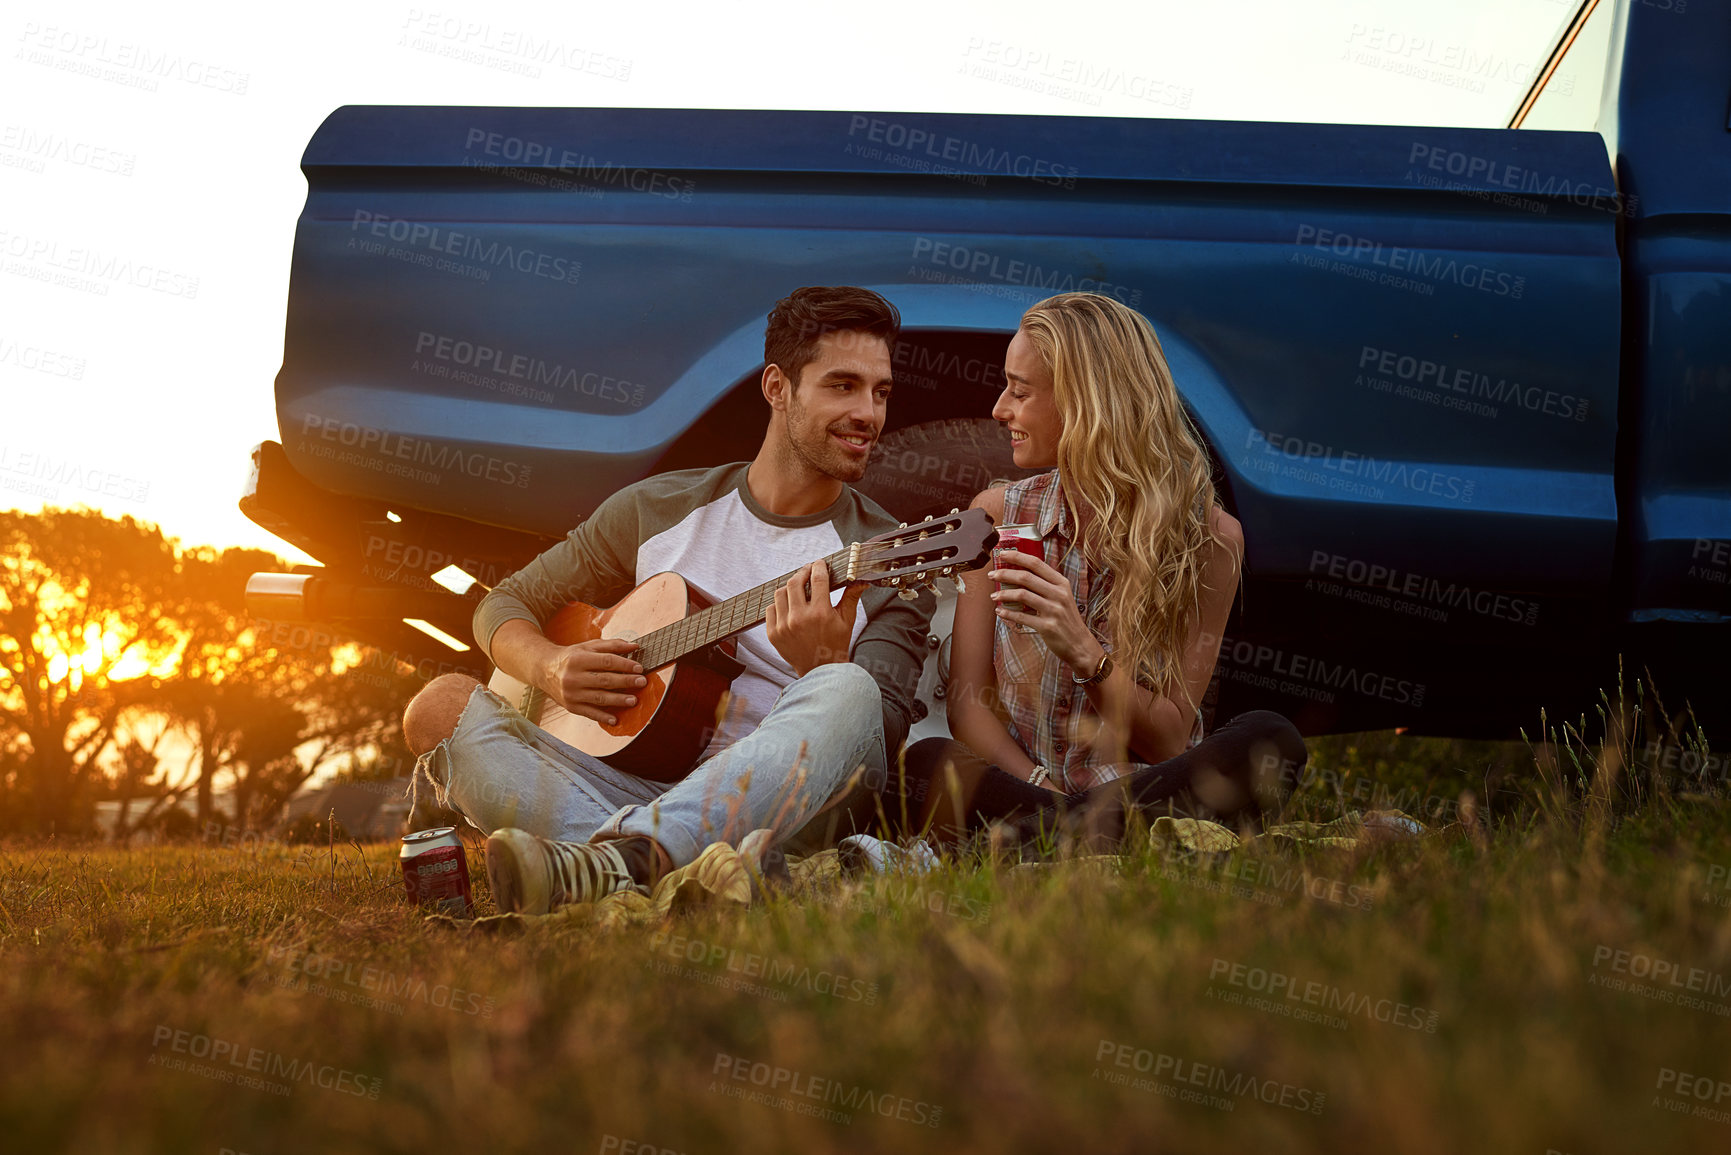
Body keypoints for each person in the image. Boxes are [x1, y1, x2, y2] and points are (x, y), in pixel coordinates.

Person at [400, 286, 934, 913]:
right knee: (440, 707)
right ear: (777, 388)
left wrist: (822, 666)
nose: (869, 413)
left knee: (851, 691)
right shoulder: (657, 509)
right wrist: (553, 668)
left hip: (776, 809)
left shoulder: (893, 557)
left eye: (881, 391)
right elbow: (505, 604)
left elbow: (879, 737)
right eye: (842, 386)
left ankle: (612, 863)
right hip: (627, 780)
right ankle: (655, 868)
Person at [883, 292, 1306, 854]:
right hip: (1027, 789)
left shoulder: (1209, 540)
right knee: (929, 761)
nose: (999, 409)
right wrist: (1044, 792)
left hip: (1140, 787)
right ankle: (1091, 839)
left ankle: (1040, 847)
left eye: (1021, 390)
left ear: (1086, 403)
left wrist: (1084, 650)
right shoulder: (997, 517)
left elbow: (1171, 738)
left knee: (1270, 740)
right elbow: (968, 707)